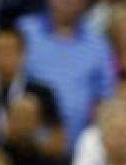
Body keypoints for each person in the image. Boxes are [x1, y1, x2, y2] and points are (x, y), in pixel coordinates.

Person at [18, 0, 115, 144]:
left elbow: (105, 98)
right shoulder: (24, 30)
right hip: (28, 144)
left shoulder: (98, 44)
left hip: (81, 146)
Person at [0, 27, 65, 153]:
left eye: (10, 50)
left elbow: (58, 143)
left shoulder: (42, 94)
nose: (4, 57)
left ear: (22, 55)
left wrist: (28, 136)